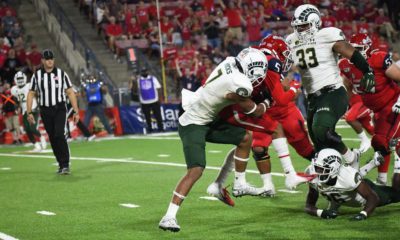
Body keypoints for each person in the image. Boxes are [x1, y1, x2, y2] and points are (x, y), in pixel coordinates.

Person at [159, 48, 269, 232]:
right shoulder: (240, 83)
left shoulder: (229, 62)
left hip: (208, 118)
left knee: (245, 138)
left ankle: (240, 183)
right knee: (196, 170)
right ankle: (169, 216)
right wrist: (268, 102)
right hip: (192, 123)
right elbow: (255, 111)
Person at [207, 35, 314, 198]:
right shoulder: (270, 61)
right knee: (263, 139)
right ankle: (280, 179)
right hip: (246, 105)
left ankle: (220, 183)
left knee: (245, 141)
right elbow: (280, 98)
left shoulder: (252, 54)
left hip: (233, 103)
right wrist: (293, 89)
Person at [286, 4, 376, 168]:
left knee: (321, 128)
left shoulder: (327, 34)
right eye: (297, 26)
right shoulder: (291, 40)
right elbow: (286, 66)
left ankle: (351, 157)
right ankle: (333, 175)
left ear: (315, 22)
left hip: (333, 92)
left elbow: (350, 52)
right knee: (320, 143)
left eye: (304, 25)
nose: (300, 29)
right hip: (312, 97)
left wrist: (367, 71)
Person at [339, 33, 400, 185]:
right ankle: (382, 179)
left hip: (391, 104)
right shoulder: (345, 65)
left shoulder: (378, 59)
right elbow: (347, 85)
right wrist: (343, 104)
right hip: (377, 109)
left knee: (386, 141)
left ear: (367, 48)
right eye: (352, 49)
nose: (354, 53)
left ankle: (395, 171)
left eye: (358, 49)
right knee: (378, 142)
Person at [305, 148, 400, 221]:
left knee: (396, 194)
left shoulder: (347, 176)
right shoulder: (311, 173)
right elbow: (309, 206)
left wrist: (363, 214)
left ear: (334, 168)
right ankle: (371, 163)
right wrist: (321, 213)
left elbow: (373, 198)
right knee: (338, 190)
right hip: (342, 196)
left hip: (366, 192)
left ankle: (397, 160)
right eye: (316, 167)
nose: (317, 172)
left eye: (321, 169)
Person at [27, 49, 79, 175]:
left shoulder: (62, 74)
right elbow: (31, 93)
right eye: (47, 59)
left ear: (54, 60)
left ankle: (65, 164)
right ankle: (60, 164)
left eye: (51, 59)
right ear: (43, 61)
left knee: (59, 134)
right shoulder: (37, 75)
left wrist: (76, 111)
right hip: (45, 110)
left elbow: (70, 92)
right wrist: (28, 112)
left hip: (59, 108)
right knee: (52, 137)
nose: (50, 61)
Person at [11, 71, 46, 151]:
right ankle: (36, 145)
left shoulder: (29, 85)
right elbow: (16, 100)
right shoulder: (14, 89)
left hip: (33, 108)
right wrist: (17, 108)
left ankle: (41, 137)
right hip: (24, 111)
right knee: (27, 129)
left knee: (32, 128)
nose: (20, 80)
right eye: (18, 79)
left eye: (21, 78)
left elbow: (38, 94)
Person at [136, 66, 164, 133]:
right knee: (147, 117)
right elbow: (137, 90)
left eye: (145, 71)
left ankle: (161, 128)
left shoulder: (153, 78)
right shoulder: (138, 80)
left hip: (154, 100)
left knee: (158, 115)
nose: (144, 73)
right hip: (144, 101)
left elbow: (159, 88)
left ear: (148, 72)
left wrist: (160, 99)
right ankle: (150, 129)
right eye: (143, 72)